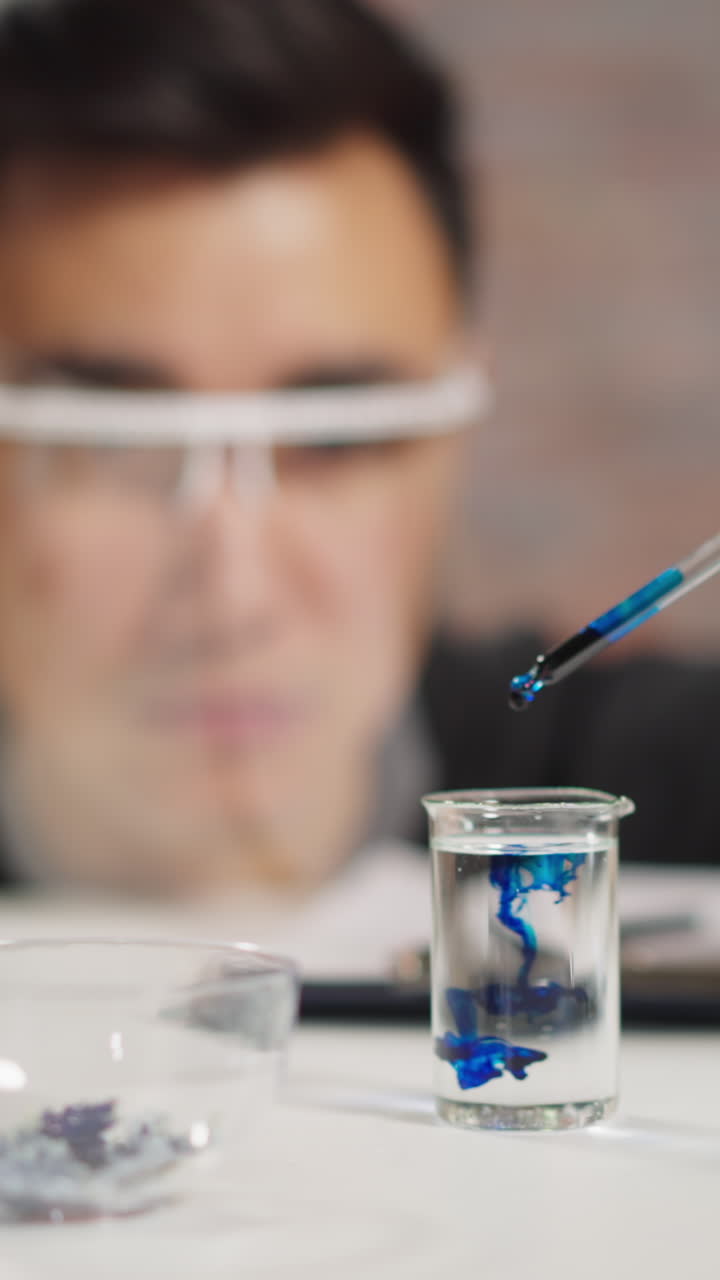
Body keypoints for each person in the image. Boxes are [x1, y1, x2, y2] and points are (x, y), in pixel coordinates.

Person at [0, 0, 716, 901]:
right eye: (112, 441)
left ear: (454, 437)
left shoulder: (653, 794)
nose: (236, 593)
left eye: (333, 439)